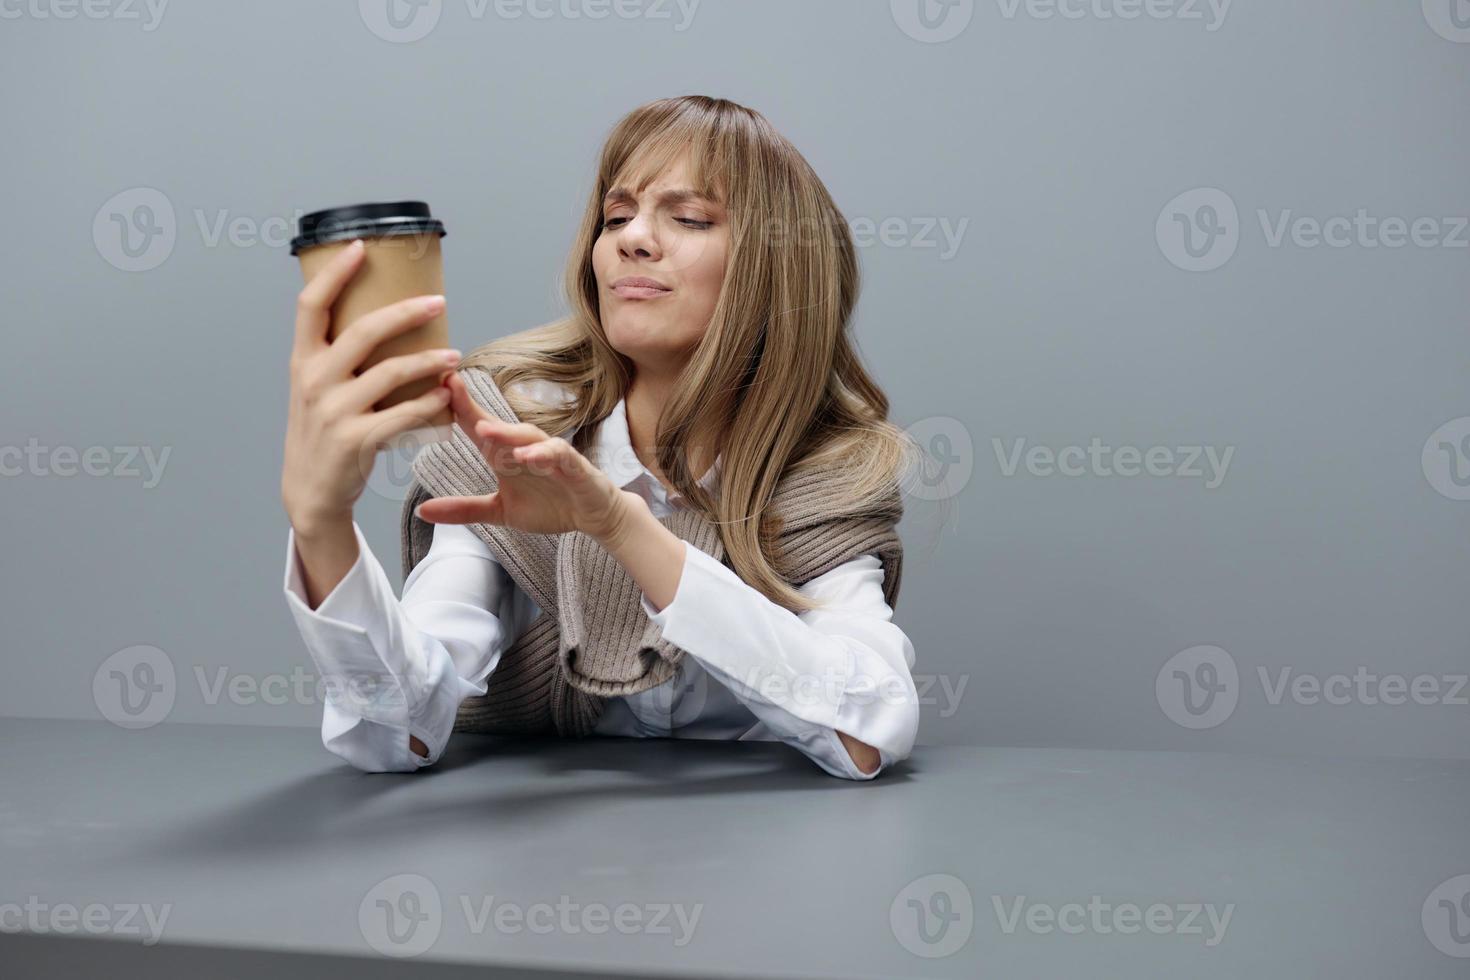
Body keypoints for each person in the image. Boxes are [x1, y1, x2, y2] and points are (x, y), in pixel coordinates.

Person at [279, 95, 921, 780]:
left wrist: (621, 527)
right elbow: (393, 730)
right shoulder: (508, 439)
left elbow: (871, 729)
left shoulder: (825, 477)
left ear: (775, 267)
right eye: (617, 216)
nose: (631, 238)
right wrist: (321, 525)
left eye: (689, 217)